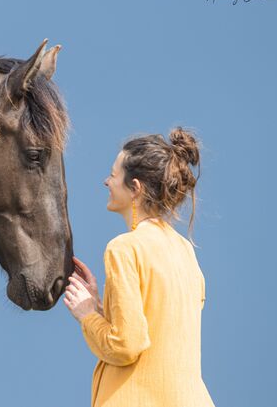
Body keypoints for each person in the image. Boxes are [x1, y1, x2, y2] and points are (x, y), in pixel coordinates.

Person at [63, 127, 215, 407]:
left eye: (113, 174)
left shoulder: (124, 248)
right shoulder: (185, 252)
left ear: (135, 188)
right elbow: (160, 332)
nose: (106, 182)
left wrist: (87, 315)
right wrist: (99, 306)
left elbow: (126, 345)